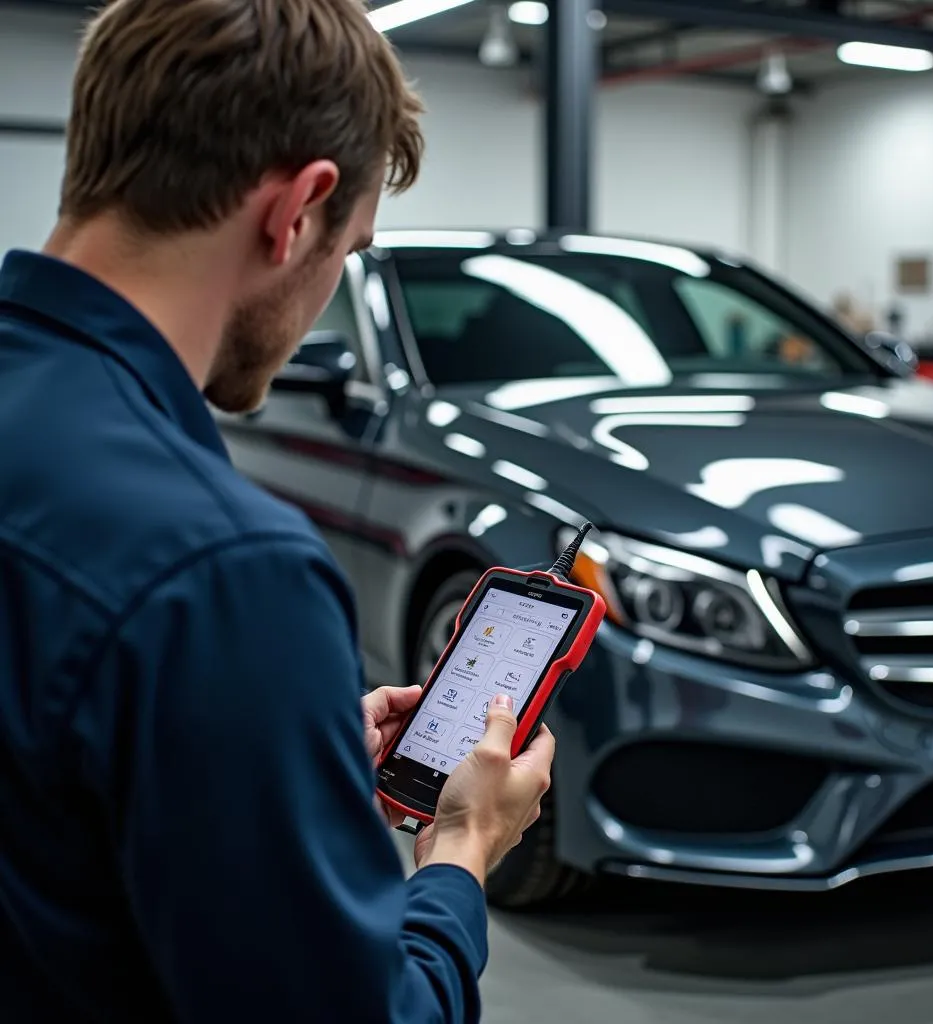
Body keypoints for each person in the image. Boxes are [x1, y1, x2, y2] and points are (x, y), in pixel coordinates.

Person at [0, 1, 555, 1021]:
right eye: (348, 249)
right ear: (298, 210)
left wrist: (266, 743)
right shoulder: (225, 570)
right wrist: (459, 861)